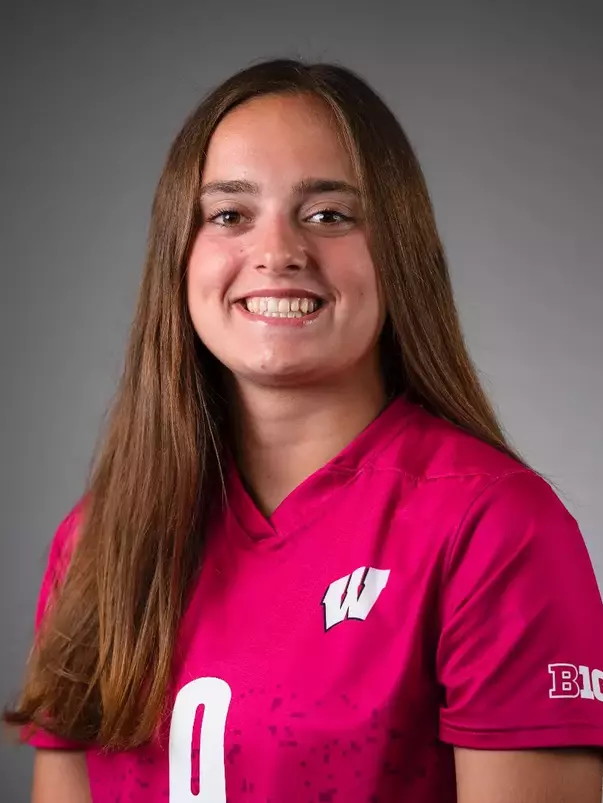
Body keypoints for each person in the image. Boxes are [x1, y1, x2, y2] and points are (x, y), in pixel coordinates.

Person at [4, 58, 603, 803]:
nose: (279, 250)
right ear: (178, 256)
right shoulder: (98, 539)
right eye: (228, 214)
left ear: (398, 251)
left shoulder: (494, 527)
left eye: (329, 214)